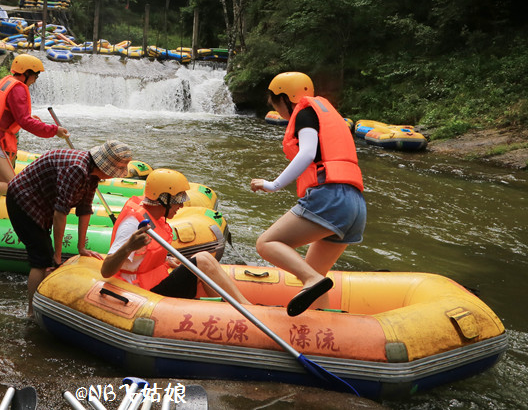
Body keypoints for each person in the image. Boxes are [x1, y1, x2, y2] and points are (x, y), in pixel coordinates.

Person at [249, 72, 367, 317]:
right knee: (315, 276)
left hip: (331, 198)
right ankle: (323, 327)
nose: (277, 109)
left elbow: (307, 153)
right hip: (355, 205)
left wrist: (274, 184)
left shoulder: (304, 113)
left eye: (275, 102)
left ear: (285, 97)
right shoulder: (325, 113)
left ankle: (312, 280)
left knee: (266, 243)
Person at [2, 140, 132, 315]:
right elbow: (60, 212)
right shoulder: (77, 169)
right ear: (105, 167)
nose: (114, 176)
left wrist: (82, 248)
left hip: (43, 202)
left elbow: (85, 209)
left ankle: (44, 306)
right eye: (114, 173)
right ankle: (32, 313)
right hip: (23, 199)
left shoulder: (93, 175)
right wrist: (57, 255)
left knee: (45, 257)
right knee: (42, 259)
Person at [102, 168, 249, 304]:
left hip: (156, 281)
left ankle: (232, 311)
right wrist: (128, 247)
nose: (181, 206)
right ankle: (246, 308)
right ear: (163, 199)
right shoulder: (132, 224)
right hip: (143, 294)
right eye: (177, 202)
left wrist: (165, 259)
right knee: (202, 260)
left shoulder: (155, 215)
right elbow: (106, 270)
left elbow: (144, 256)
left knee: (203, 265)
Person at [0, 55, 69, 218]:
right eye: (35, 75)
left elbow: (13, 117)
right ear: (27, 72)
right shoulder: (17, 88)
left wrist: (37, 122)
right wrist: (54, 130)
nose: (36, 79)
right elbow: (25, 121)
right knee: (14, 186)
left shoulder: (5, 82)